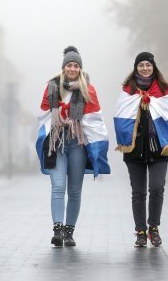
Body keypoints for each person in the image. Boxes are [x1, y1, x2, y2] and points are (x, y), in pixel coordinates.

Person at [36, 46, 110, 247]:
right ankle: (57, 229)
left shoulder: (88, 89)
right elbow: (43, 115)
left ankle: (69, 231)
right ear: (63, 67)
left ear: (80, 68)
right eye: (69, 65)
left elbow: (95, 118)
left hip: (77, 143)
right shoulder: (52, 87)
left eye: (76, 65)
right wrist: (56, 119)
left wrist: (77, 123)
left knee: (75, 190)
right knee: (58, 186)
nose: (72, 68)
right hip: (57, 142)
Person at [114, 52, 168, 247]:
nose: (145, 68)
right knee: (138, 192)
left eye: (148, 65)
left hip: (160, 149)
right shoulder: (127, 90)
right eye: (141, 65)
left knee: (156, 187)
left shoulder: (164, 89)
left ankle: (153, 227)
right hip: (135, 149)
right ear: (136, 67)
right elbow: (120, 118)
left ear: (154, 67)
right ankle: (140, 231)